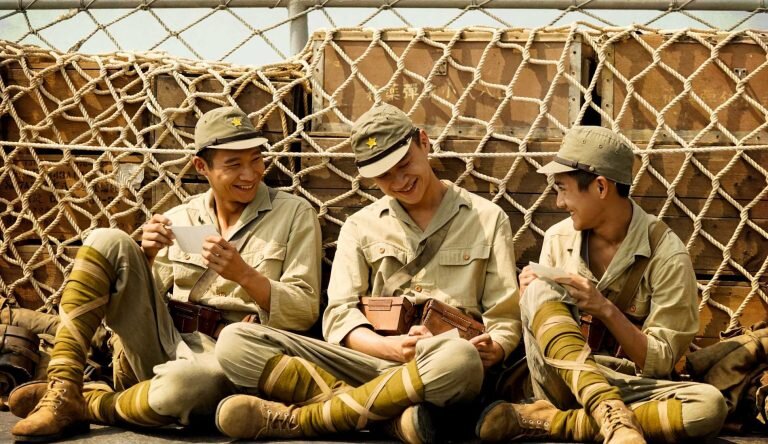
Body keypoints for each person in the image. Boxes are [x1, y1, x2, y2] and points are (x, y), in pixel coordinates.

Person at [210, 103, 522, 443]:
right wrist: (391, 348)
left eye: (404, 165)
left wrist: (494, 349)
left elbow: (504, 319)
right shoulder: (360, 226)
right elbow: (339, 316)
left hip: (442, 366)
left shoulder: (487, 218)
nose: (400, 181)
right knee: (235, 342)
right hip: (369, 364)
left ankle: (304, 420)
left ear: (424, 142)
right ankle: (389, 419)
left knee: (459, 360)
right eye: (384, 176)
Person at [9, 106, 322, 442]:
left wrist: (245, 275)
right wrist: (146, 256)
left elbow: (305, 311)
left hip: (229, 362)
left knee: (186, 384)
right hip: (164, 344)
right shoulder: (181, 216)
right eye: (234, 164)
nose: (250, 174)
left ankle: (88, 404)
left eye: (256, 159)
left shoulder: (294, 214)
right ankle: (62, 387)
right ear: (202, 167)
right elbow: (140, 309)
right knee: (105, 239)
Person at [476, 126, 728, 443]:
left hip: (625, 383)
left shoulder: (667, 255)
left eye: (563, 189)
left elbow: (660, 361)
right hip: (560, 379)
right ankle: (607, 412)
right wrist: (531, 302)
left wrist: (604, 308)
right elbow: (538, 340)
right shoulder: (557, 238)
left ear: (600, 186)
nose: (559, 202)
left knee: (709, 406)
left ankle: (551, 421)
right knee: (539, 289)